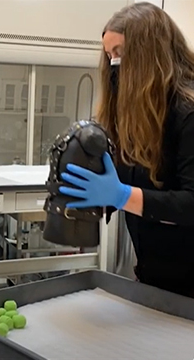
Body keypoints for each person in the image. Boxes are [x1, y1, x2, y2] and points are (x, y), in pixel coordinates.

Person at [59, 2, 194, 298]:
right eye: (109, 55)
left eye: (119, 53)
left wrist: (121, 196)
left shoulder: (188, 113)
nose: (113, 64)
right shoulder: (138, 115)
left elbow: (190, 203)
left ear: (149, 53)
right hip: (153, 275)